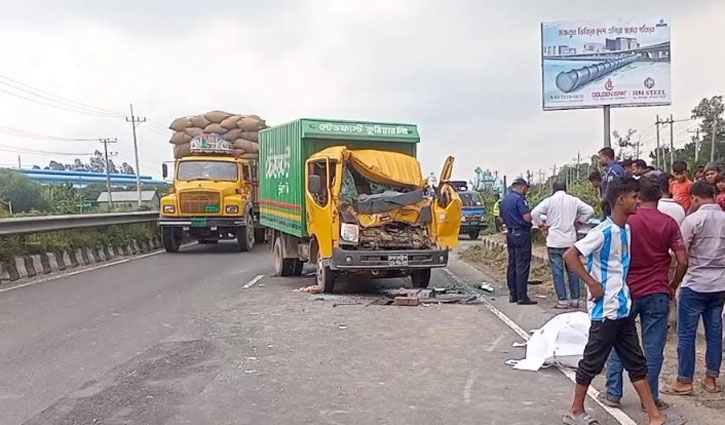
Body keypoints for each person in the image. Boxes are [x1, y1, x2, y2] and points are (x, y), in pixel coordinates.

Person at [562, 177, 684, 425]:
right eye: (634, 197)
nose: (638, 201)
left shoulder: (626, 229)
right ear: (620, 200)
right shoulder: (602, 232)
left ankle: (654, 415)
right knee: (592, 362)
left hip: (622, 306)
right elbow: (570, 255)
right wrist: (592, 283)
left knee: (636, 362)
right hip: (605, 311)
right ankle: (575, 411)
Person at [597, 176, 688, 410]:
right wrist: (673, 285)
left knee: (619, 343)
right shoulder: (668, 223)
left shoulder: (627, 222)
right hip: (657, 290)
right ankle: (650, 398)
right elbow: (682, 260)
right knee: (654, 347)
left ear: (639, 196)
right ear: (659, 195)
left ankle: (613, 393)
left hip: (626, 291)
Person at [663, 182, 725, 396]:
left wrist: (673, 283)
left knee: (687, 334)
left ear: (696, 199)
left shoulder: (693, 220)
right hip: (719, 285)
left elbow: (680, 254)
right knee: (715, 332)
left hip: (695, 283)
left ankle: (684, 380)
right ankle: (711, 378)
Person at [531, 181, 594, 309]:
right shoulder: (573, 200)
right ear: (566, 188)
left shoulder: (549, 201)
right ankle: (575, 299)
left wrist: (541, 226)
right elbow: (589, 210)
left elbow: (534, 213)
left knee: (557, 272)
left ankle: (562, 300)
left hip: (554, 240)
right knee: (573, 271)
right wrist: (579, 221)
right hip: (570, 241)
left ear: (553, 189)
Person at [501, 178, 536, 305]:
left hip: (510, 233)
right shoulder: (520, 200)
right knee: (522, 265)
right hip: (521, 234)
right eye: (526, 188)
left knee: (512, 264)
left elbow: (501, 218)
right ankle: (522, 296)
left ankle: (513, 294)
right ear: (521, 187)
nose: (526, 190)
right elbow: (527, 218)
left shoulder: (504, 200)